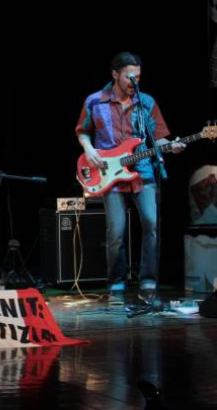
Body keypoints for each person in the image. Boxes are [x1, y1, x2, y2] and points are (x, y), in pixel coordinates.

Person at [75, 52, 185, 307]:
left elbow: (158, 138)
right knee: (116, 231)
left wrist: (171, 146)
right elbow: (83, 131)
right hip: (109, 173)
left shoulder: (146, 102)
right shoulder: (95, 101)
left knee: (151, 224)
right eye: (129, 76)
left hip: (143, 171)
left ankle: (148, 283)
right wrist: (89, 150)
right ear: (115, 74)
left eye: (138, 76)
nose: (134, 81)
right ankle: (117, 285)